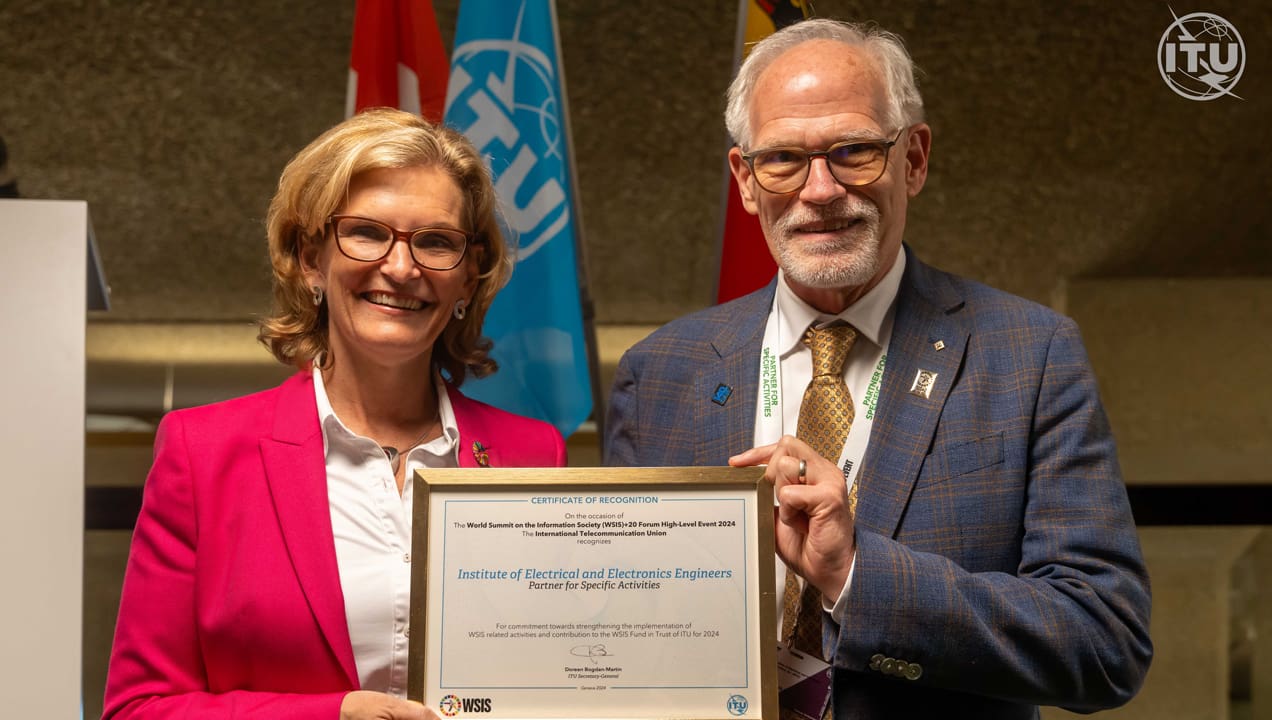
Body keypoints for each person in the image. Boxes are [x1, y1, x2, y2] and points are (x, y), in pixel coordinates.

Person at [605, 18, 1151, 719]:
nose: (821, 189)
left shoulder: (1029, 354)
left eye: (854, 150)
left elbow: (1105, 642)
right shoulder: (659, 374)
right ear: (745, 179)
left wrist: (855, 575)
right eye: (783, 160)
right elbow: (619, 633)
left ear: (913, 159)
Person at [103, 108, 566, 720]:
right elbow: (140, 708)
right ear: (310, 258)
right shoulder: (203, 452)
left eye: (435, 242)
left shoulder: (534, 453)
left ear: (467, 278)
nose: (402, 269)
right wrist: (333, 715)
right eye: (368, 233)